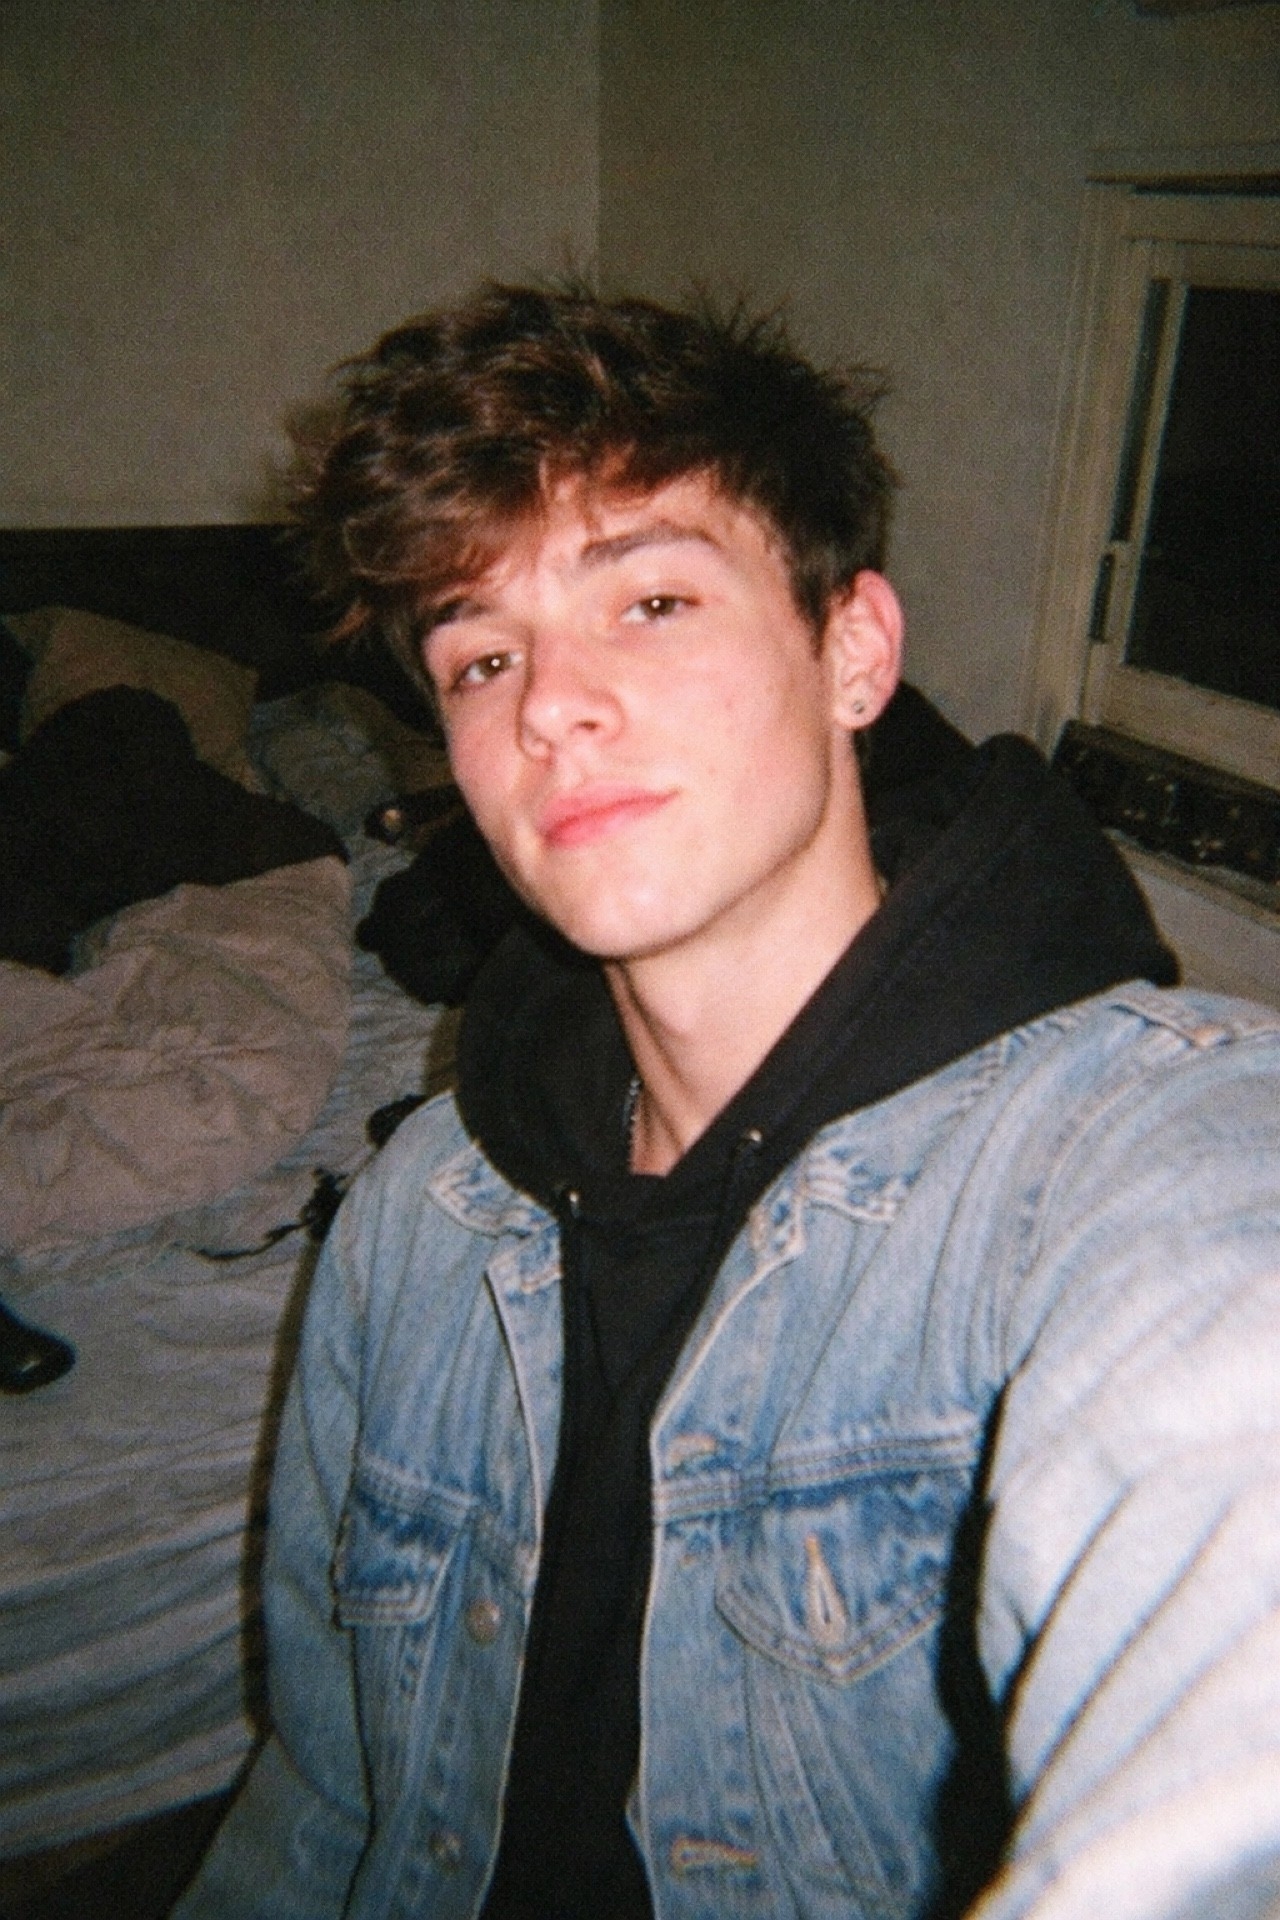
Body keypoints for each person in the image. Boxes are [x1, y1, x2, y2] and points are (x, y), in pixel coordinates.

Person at [176, 284, 1280, 1920]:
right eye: (483, 656)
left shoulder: (1129, 1162)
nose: (548, 704)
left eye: (652, 602)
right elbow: (325, 1802)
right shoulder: (421, 1218)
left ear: (855, 654)